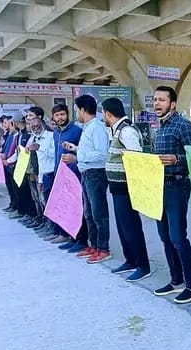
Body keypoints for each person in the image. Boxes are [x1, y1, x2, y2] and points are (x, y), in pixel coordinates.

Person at [150, 86, 191, 304]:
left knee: (178, 236)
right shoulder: (160, 128)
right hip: (159, 186)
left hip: (177, 186)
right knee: (164, 236)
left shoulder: (183, 125)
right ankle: (176, 280)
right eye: (155, 100)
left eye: (162, 100)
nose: (157, 104)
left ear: (173, 104)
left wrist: (177, 159)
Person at [101, 97, 152, 281]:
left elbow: (137, 158)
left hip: (127, 189)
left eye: (103, 113)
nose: (103, 116)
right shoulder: (117, 130)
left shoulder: (127, 131)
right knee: (123, 228)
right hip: (118, 189)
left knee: (131, 228)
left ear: (108, 114)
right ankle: (130, 260)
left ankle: (143, 266)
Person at [63, 94, 111, 264]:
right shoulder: (88, 127)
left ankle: (103, 249)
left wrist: (78, 158)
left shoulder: (97, 127)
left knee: (99, 213)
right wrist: (76, 149)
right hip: (87, 174)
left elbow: (102, 154)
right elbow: (90, 150)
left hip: (95, 174)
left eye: (77, 110)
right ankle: (94, 245)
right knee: (89, 213)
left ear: (83, 110)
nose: (76, 113)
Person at [52, 104, 88, 254]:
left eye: (62, 114)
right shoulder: (56, 133)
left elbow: (83, 151)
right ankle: (71, 237)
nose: (60, 118)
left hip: (75, 175)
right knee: (67, 208)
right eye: (57, 115)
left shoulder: (77, 131)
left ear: (67, 114)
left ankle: (82, 240)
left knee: (78, 209)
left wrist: (75, 158)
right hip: (61, 175)